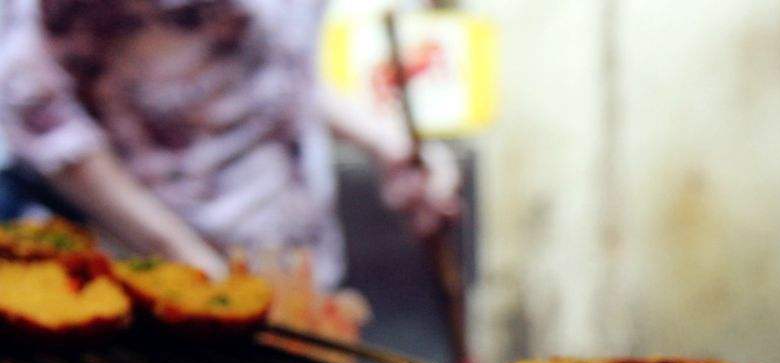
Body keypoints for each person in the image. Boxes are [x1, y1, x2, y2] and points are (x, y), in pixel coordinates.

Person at [0, 0, 456, 290]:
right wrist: (183, 255)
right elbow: (37, 111)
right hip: (158, 280)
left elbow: (269, 66)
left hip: (295, 264)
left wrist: (384, 141)